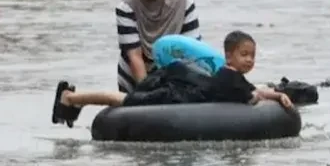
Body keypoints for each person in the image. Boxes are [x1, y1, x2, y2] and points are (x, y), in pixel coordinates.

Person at [52, 30, 293, 126]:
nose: (249, 60)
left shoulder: (231, 76)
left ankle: (76, 100)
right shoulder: (232, 79)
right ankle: (71, 97)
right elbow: (254, 95)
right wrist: (276, 95)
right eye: (244, 55)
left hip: (181, 89)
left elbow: (256, 91)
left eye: (252, 55)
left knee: (124, 99)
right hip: (175, 97)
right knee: (123, 100)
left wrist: (278, 93)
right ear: (228, 56)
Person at [115, 0, 201, 93]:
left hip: (176, 71)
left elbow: (191, 50)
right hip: (134, 76)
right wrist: (147, 92)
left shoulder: (184, 4)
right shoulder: (126, 8)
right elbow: (134, 55)